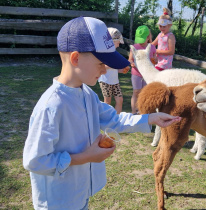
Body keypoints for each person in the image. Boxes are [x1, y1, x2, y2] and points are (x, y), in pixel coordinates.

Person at [22, 17, 181, 210]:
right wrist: (85, 157)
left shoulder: (86, 94)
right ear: (75, 58)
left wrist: (150, 118)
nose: (106, 68)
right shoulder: (52, 106)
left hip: (79, 195)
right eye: (101, 63)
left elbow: (113, 119)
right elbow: (35, 160)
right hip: (58, 202)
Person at [98, 27, 128, 114]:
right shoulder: (104, 53)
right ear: (111, 41)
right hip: (105, 80)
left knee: (120, 100)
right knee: (107, 102)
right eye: (117, 43)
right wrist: (115, 65)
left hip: (115, 81)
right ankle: (105, 121)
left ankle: (116, 120)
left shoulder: (114, 52)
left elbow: (113, 68)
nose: (118, 45)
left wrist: (120, 70)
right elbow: (102, 66)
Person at [128, 25, 157, 114]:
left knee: (145, 93)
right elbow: (130, 59)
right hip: (136, 73)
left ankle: (143, 112)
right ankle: (134, 112)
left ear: (148, 37)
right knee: (136, 92)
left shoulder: (151, 47)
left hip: (147, 75)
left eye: (142, 39)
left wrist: (154, 60)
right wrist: (131, 63)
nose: (141, 42)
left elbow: (155, 60)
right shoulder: (134, 47)